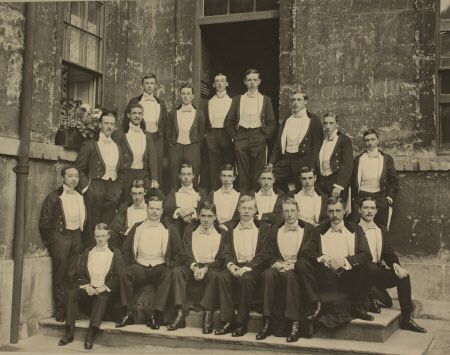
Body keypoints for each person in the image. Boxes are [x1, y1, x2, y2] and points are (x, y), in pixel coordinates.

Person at [296, 196, 374, 337]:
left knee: (370, 267)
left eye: (338, 210)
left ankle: (357, 305)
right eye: (331, 211)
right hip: (325, 276)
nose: (335, 215)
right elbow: (304, 252)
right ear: (326, 212)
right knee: (301, 264)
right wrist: (323, 257)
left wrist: (344, 261)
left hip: (348, 276)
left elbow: (366, 255)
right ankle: (316, 303)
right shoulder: (318, 230)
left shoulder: (356, 230)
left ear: (344, 211)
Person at [359, 197, 427, 333]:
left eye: (372, 208)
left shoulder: (381, 229)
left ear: (376, 211)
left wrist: (396, 265)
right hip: (358, 274)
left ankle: (407, 319)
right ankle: (369, 297)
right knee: (381, 296)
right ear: (359, 210)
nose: (369, 211)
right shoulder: (353, 228)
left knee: (404, 277)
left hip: (376, 272)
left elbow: (389, 253)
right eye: (365, 208)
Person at [115, 197, 183, 330]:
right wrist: (130, 264)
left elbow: (178, 252)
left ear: (162, 211)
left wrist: (171, 265)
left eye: (157, 209)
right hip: (140, 266)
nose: (154, 212)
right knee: (125, 273)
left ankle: (156, 314)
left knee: (168, 274)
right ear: (147, 209)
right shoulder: (137, 227)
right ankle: (128, 313)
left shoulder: (169, 229)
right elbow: (126, 249)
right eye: (151, 208)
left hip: (159, 266)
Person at [257, 198, 314, 342]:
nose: (289, 214)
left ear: (298, 212)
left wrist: (295, 265)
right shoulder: (274, 229)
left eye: (292, 211)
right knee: (267, 274)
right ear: (282, 213)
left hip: (298, 268)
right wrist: (276, 263)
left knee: (290, 277)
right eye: (286, 211)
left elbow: (312, 253)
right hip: (280, 266)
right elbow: (266, 253)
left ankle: (294, 323)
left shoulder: (308, 229)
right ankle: (267, 320)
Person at [58, 224, 123, 349]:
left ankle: (91, 334)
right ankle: (69, 331)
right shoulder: (88, 252)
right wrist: (87, 286)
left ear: (108, 236)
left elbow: (119, 277)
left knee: (102, 297)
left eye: (103, 236)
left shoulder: (115, 253)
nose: (100, 239)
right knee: (71, 294)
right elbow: (79, 274)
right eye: (98, 236)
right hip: (89, 291)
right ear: (94, 236)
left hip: (105, 293)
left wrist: (104, 287)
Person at [214, 195, 269, 337]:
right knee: (222, 276)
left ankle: (241, 323)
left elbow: (263, 255)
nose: (246, 211)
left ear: (255, 210)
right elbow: (224, 251)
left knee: (246, 279)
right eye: (243, 208)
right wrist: (231, 265)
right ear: (238, 209)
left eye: (250, 208)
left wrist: (246, 268)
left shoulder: (263, 228)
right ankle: (227, 320)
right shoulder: (230, 227)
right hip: (235, 264)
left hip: (253, 268)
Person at [170, 202, 226, 333]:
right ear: (198, 216)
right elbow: (185, 253)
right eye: (203, 216)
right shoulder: (190, 230)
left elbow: (221, 259)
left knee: (214, 275)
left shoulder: (222, 233)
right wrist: (194, 266)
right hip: (194, 265)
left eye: (209, 216)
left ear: (215, 217)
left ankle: (207, 314)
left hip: (211, 267)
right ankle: (179, 313)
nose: (206, 219)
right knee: (177, 271)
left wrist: (206, 268)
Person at [39, 165, 86, 322]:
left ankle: (71, 311)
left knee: (72, 275)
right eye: (70, 176)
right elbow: (44, 222)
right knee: (60, 275)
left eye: (76, 176)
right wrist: (52, 241)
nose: (74, 179)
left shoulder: (80, 196)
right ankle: (60, 311)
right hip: (60, 238)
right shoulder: (54, 197)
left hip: (76, 237)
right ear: (63, 178)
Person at [75, 109, 123, 247]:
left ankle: (104, 260)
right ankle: (89, 258)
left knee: (107, 228)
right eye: (106, 123)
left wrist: (118, 189)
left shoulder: (117, 147)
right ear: (100, 125)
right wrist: (86, 188)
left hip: (112, 189)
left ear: (114, 127)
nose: (109, 126)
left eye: (112, 124)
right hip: (95, 188)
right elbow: (78, 168)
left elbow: (121, 171)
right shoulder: (90, 145)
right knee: (92, 227)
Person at [224, 69, 276, 194]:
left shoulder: (265, 100)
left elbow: (272, 122)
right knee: (242, 172)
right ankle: (243, 201)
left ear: (259, 82)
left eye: (254, 80)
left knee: (258, 172)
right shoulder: (238, 99)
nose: (252, 83)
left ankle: (255, 202)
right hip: (241, 136)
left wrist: (264, 136)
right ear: (245, 82)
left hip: (258, 136)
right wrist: (235, 137)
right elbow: (229, 121)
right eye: (249, 80)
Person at [268, 87, 323, 191]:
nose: (295, 102)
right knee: (268, 179)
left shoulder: (313, 120)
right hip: (286, 160)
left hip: (303, 160)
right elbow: (277, 144)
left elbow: (317, 147)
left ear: (305, 102)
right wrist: (271, 162)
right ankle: (285, 196)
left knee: (302, 189)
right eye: (293, 100)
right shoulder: (287, 120)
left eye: (299, 100)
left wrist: (311, 167)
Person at [351, 129, 399, 228]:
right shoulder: (358, 159)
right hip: (362, 197)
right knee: (360, 228)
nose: (370, 143)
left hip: (380, 198)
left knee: (380, 227)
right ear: (364, 142)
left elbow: (394, 181)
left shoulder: (386, 159)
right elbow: (352, 182)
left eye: (373, 139)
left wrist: (389, 198)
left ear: (377, 140)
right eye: (367, 140)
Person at [127, 73, 168, 185]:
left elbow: (165, 122)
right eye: (147, 83)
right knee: (142, 163)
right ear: (142, 85)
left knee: (156, 166)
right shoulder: (135, 101)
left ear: (155, 85)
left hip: (157, 138)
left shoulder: (161, 103)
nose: (149, 86)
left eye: (152, 83)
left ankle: (155, 192)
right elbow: (126, 122)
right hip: (141, 136)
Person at [117, 102, 161, 202]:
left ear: (142, 115)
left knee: (159, 198)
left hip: (143, 174)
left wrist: (154, 179)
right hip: (127, 174)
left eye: (139, 113)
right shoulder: (121, 135)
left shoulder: (147, 135)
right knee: (127, 202)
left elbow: (152, 159)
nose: (137, 116)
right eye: (134, 113)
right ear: (129, 115)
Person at [166, 83, 206, 189]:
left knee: (193, 174)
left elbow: (201, 133)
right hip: (176, 147)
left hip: (192, 147)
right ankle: (174, 201)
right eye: (183, 93)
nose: (185, 96)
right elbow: (168, 133)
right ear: (180, 95)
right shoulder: (172, 113)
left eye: (188, 93)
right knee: (174, 175)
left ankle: (193, 201)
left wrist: (196, 145)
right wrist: (172, 145)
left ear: (193, 96)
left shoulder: (199, 113)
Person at [205, 73, 234, 190]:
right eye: (217, 81)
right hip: (213, 134)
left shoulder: (232, 101)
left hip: (226, 134)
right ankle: (215, 191)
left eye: (222, 81)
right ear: (213, 84)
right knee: (214, 165)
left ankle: (229, 191)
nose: (220, 83)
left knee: (228, 164)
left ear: (226, 83)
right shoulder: (210, 102)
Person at [164, 163, 208, 238]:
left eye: (189, 174)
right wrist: (179, 211)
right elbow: (167, 207)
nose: (186, 177)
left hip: (195, 227)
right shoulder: (174, 191)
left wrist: (192, 212)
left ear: (193, 176)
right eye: (183, 174)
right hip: (177, 227)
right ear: (179, 176)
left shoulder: (201, 192)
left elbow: (205, 208)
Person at [316, 113, 353, 202]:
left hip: (336, 182)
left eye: (331, 123)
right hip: (322, 183)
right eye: (325, 123)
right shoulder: (322, 141)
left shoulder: (344, 140)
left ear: (337, 124)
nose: (328, 126)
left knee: (336, 211)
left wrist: (339, 185)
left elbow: (347, 164)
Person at [110, 179, 149, 249]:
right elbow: (115, 224)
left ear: (145, 192)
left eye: (140, 193)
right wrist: (128, 230)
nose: (137, 197)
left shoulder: (151, 207)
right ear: (130, 193)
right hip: (129, 243)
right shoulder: (125, 207)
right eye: (134, 193)